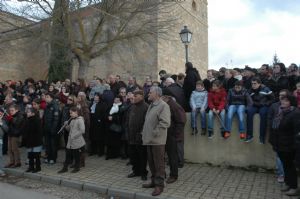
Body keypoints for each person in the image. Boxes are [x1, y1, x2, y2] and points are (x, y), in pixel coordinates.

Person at [141, 86, 171, 196]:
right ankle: (154, 181)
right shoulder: (151, 106)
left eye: (150, 92)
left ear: (157, 94)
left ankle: (159, 185)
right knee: (152, 163)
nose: (148, 94)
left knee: (159, 164)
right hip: (149, 139)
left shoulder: (163, 106)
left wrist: (154, 132)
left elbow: (165, 122)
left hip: (157, 140)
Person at [268, 95, 299, 196]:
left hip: (289, 146)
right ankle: (289, 184)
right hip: (280, 144)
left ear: (291, 102)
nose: (282, 102)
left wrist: (295, 146)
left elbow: (296, 131)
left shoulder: (295, 113)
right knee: (286, 166)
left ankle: (294, 187)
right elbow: (275, 127)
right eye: (282, 100)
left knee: (290, 167)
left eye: (286, 101)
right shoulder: (281, 112)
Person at [162, 95, 186, 183]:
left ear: (166, 97)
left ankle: (173, 175)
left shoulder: (175, 106)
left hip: (172, 136)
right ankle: (162, 173)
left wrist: (175, 135)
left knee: (173, 157)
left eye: (162, 97)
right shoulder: (165, 105)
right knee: (163, 156)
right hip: (165, 135)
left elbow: (181, 121)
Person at [127, 90, 149, 181]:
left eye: (136, 96)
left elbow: (146, 122)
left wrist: (141, 133)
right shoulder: (132, 107)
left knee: (142, 156)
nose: (134, 97)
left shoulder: (146, 107)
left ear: (141, 96)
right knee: (133, 155)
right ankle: (135, 171)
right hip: (131, 136)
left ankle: (143, 173)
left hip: (140, 137)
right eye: (133, 96)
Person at [246, 77, 274, 143]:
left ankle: (262, 137)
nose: (253, 85)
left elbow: (273, 99)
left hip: (264, 105)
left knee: (263, 113)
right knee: (249, 112)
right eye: (252, 84)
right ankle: (249, 135)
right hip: (255, 105)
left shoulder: (266, 89)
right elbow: (248, 100)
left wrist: (266, 104)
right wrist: (253, 104)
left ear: (259, 84)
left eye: (255, 83)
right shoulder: (250, 90)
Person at [58, 106, 86, 173]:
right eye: (70, 113)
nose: (70, 114)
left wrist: (74, 136)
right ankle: (65, 168)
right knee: (67, 155)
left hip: (77, 142)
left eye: (71, 113)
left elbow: (82, 130)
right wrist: (66, 125)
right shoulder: (72, 120)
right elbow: (69, 129)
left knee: (76, 156)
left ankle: (77, 167)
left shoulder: (80, 120)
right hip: (70, 141)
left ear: (76, 112)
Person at [23, 107, 43, 173]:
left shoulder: (37, 120)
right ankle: (31, 167)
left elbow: (39, 132)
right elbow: (25, 130)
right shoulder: (27, 120)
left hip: (36, 141)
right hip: (29, 141)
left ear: (33, 113)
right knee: (30, 155)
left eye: (28, 112)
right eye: (27, 112)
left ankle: (38, 167)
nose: (27, 113)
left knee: (36, 155)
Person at [43, 93, 60, 164]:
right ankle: (48, 157)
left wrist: (53, 129)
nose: (45, 98)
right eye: (45, 97)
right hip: (47, 127)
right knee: (47, 144)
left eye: (47, 97)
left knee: (53, 144)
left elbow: (56, 119)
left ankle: (53, 158)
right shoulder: (47, 106)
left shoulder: (55, 106)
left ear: (51, 98)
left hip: (53, 129)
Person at [0, 109, 8, 176]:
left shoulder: (3, 121)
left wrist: (1, 124)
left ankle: (1, 170)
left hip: (0, 140)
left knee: (0, 156)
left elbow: (6, 130)